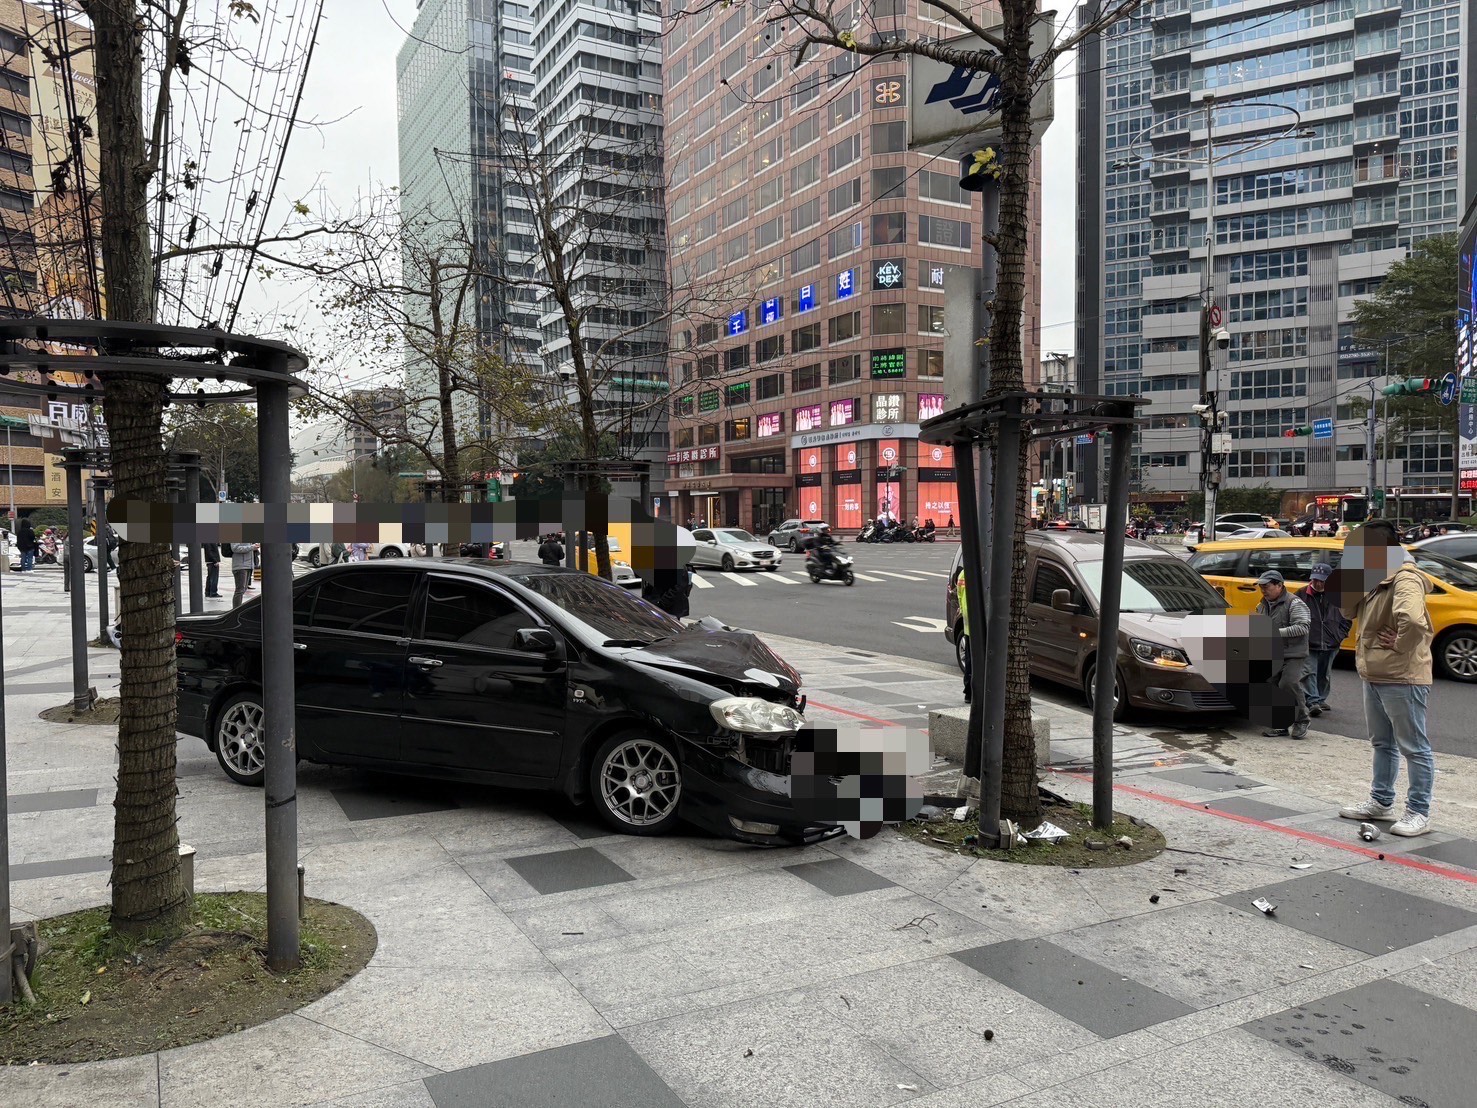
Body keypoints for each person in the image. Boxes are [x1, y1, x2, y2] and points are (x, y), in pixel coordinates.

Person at [1336, 519, 1436, 837]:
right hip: (1374, 672)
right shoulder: (1375, 578)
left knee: (1413, 747)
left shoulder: (1404, 580)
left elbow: (1415, 623)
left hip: (1402, 676)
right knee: (1382, 743)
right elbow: (1345, 611)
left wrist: (1400, 645)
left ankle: (1419, 812)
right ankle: (1381, 802)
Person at [1253, 569, 1310, 739]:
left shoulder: (1295, 603)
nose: (1263, 590)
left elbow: (1303, 627)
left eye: (1267, 587)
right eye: (1261, 587)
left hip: (1294, 653)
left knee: (1288, 683)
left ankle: (1302, 720)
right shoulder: (1262, 604)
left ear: (1279, 585)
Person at [1298, 562, 1348, 717]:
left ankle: (1320, 698)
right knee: (1309, 671)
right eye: (1315, 580)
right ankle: (1312, 701)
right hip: (1308, 641)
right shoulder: (1301, 594)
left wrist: (1340, 635)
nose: (1318, 583)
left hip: (1331, 641)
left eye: (1322, 580)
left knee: (1324, 673)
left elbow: (1347, 617)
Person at [957, 570, 971, 704]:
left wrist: (962, 610)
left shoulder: (963, 574)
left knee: (969, 660)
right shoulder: (983, 571)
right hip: (979, 625)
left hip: (967, 624)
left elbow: (959, 595)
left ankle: (968, 692)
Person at [228, 542, 257, 607]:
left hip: (248, 565)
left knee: (243, 589)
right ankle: (235, 610)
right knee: (240, 590)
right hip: (240, 565)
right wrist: (251, 547)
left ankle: (237, 609)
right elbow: (235, 548)